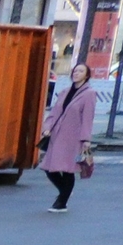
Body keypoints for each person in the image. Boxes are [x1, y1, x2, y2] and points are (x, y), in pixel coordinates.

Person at [40, 65, 96, 213]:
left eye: (81, 71)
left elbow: (87, 118)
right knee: (48, 168)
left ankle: (61, 203)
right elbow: (55, 112)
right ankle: (65, 190)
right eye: (75, 71)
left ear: (87, 75)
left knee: (68, 169)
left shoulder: (89, 94)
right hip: (57, 136)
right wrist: (46, 127)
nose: (77, 73)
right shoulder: (65, 92)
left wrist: (86, 139)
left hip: (74, 137)